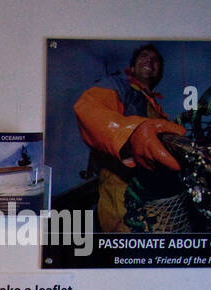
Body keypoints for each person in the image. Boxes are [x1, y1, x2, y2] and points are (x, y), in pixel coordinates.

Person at [73, 44, 188, 232]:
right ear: (132, 68)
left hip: (159, 197)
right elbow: (89, 107)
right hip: (123, 189)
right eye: (144, 56)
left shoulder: (159, 112)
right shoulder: (117, 85)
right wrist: (130, 133)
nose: (150, 61)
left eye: (155, 59)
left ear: (160, 73)